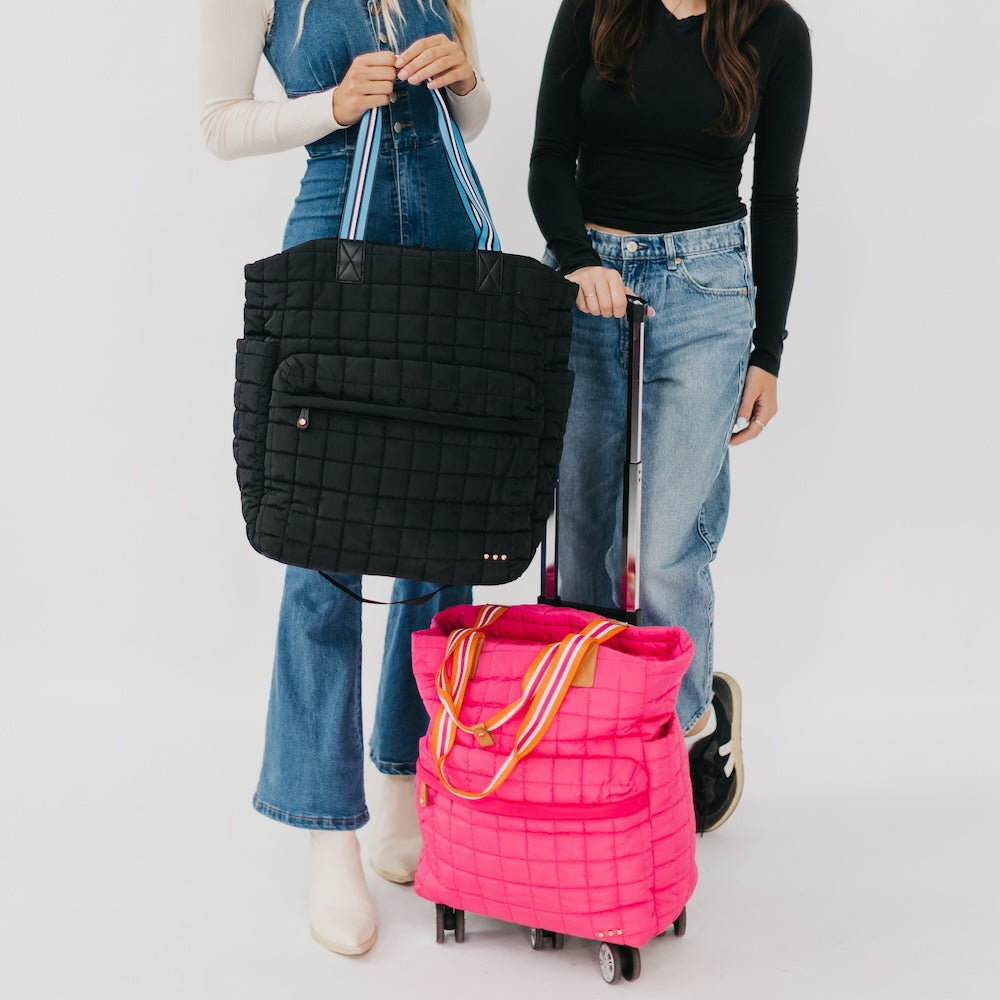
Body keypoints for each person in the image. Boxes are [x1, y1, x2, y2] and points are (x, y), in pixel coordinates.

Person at [199, 0, 491, 957]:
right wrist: (331, 105)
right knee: (323, 531)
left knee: (442, 526)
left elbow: (469, 122)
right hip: (335, 228)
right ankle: (328, 829)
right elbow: (219, 123)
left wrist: (466, 81)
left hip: (451, 230)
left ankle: (406, 782)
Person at [528, 0, 811, 832]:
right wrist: (577, 259)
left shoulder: (777, 32)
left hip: (705, 294)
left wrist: (768, 352)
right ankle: (592, 752)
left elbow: (778, 196)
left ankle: (683, 728)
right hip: (586, 288)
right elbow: (549, 156)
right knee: (580, 551)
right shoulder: (595, 7)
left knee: (657, 554)